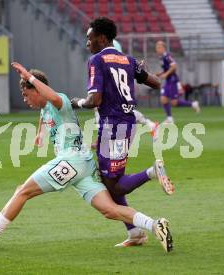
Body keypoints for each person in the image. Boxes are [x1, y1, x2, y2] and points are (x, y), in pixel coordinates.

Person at [0, 62, 173, 253]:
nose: (25, 100)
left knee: (22, 191)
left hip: (71, 162)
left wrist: (29, 76)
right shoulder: (45, 110)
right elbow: (45, 116)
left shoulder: (58, 99)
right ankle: (155, 225)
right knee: (110, 210)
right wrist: (38, 134)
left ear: (37, 88)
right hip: (83, 166)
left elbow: (51, 97)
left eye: (26, 94)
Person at [70, 17, 175, 247]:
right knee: (110, 180)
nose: (87, 43)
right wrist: (141, 70)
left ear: (102, 38)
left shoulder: (96, 60)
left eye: (90, 38)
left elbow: (94, 99)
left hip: (113, 127)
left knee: (113, 185)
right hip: (123, 124)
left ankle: (152, 172)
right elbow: (157, 83)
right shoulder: (128, 60)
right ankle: (135, 234)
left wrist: (76, 102)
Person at [155, 41, 200, 124]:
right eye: (156, 47)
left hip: (172, 80)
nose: (157, 49)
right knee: (163, 99)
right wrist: (161, 73)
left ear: (163, 48)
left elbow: (174, 66)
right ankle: (169, 118)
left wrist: (165, 74)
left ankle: (193, 104)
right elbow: (167, 68)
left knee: (174, 102)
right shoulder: (162, 57)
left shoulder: (167, 56)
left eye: (158, 47)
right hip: (168, 81)